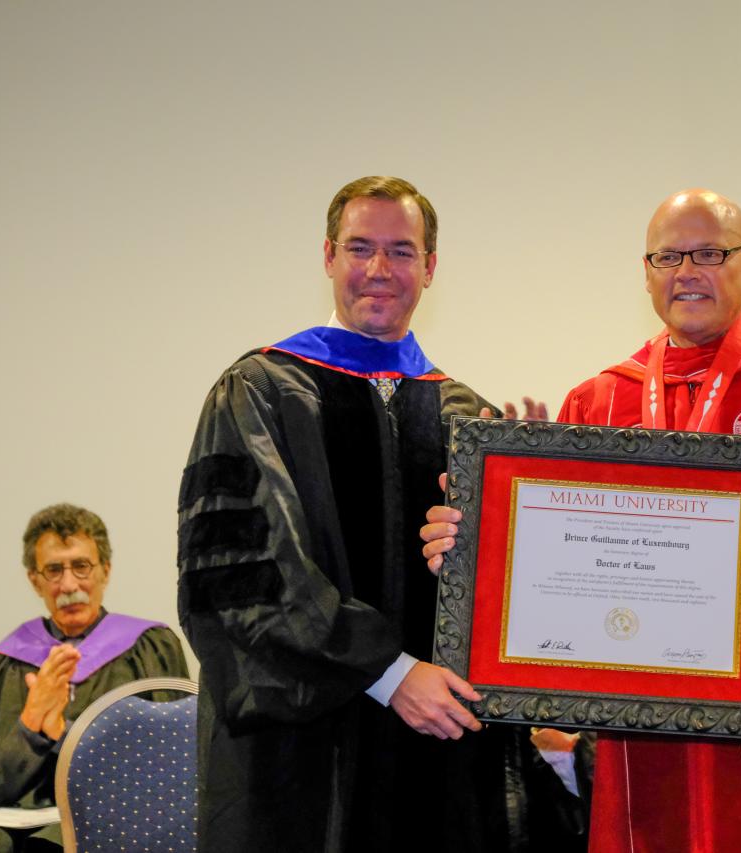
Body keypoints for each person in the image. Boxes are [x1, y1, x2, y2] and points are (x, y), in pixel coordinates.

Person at [422, 188, 741, 851]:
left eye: (709, 252)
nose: (687, 272)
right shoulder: (599, 403)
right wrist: (482, 546)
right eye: (668, 256)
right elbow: (560, 585)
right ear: (645, 273)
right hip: (645, 754)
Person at [178, 175, 566, 853]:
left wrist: (532, 513)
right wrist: (389, 671)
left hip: (438, 749)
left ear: (431, 267)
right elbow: (244, 575)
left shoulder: (465, 413)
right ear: (328, 255)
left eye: (401, 251)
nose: (380, 270)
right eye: (361, 248)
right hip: (302, 757)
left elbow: (496, 605)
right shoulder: (260, 390)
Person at [0, 503, 188, 853]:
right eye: (54, 570)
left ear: (105, 570)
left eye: (81, 566)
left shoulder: (149, 649)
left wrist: (62, 732)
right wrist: (30, 727)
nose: (69, 584)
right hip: (12, 818)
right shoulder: (6, 663)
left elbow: (163, 769)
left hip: (110, 813)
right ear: (35, 580)